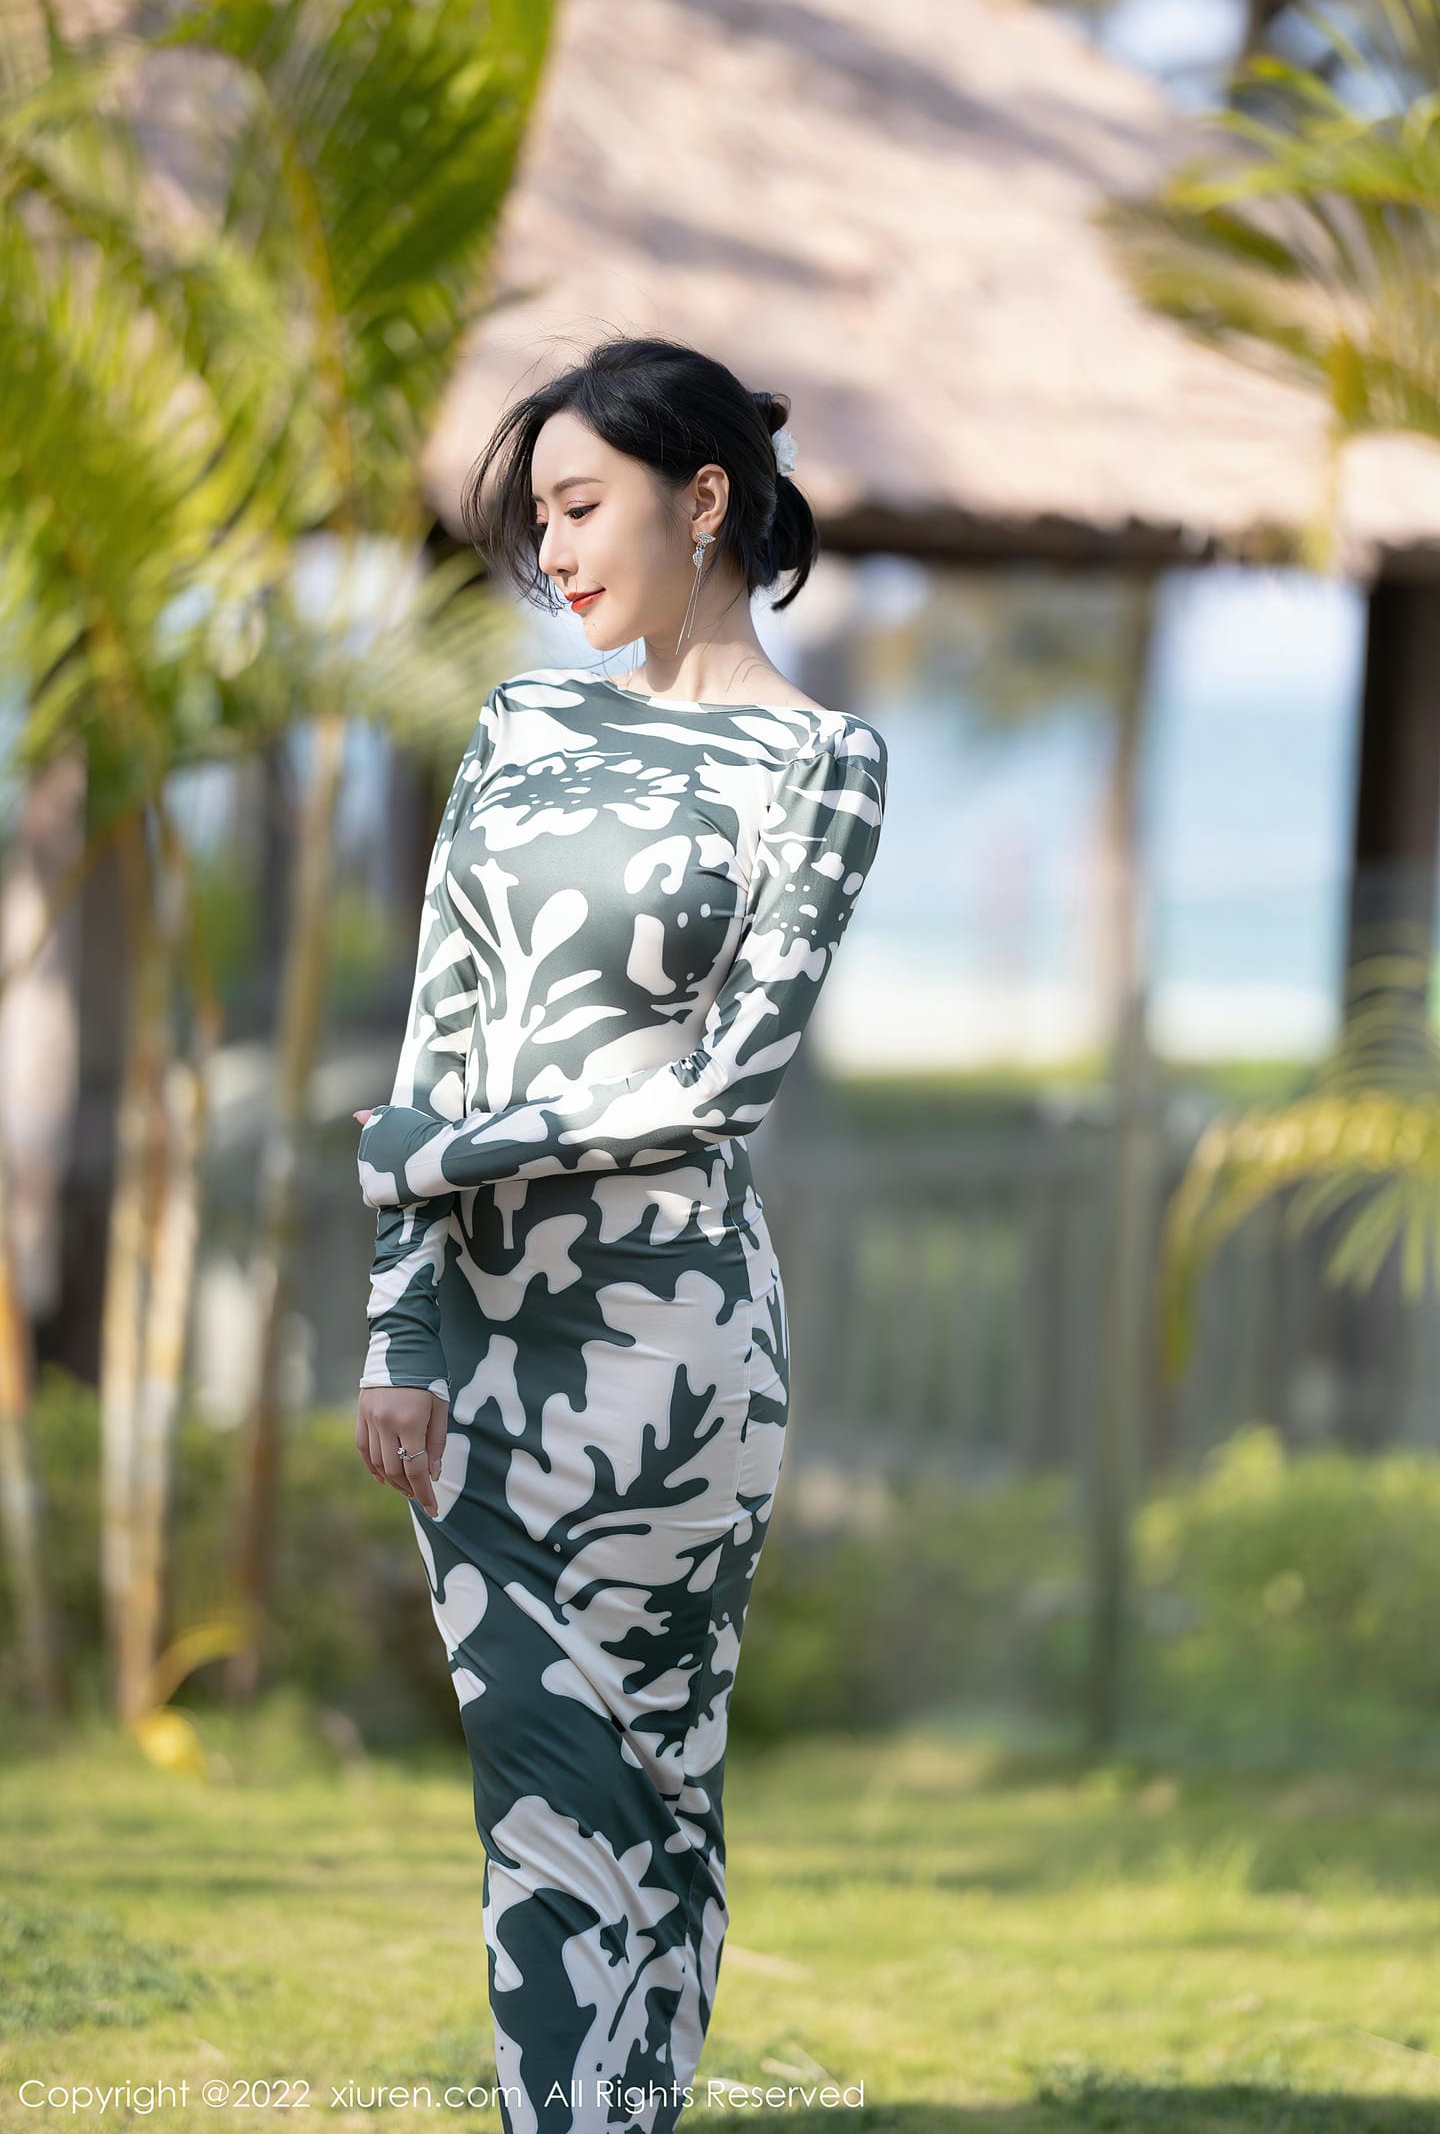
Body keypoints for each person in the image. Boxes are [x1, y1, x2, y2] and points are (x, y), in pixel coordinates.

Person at [353, 335, 887, 2134]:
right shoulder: (523, 726)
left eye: (580, 507)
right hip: (479, 1348)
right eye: (540, 519)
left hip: (671, 1356)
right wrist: (400, 1326)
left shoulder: (820, 762)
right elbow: (439, 1025)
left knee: (653, 1798)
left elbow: (725, 1087)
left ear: (703, 499)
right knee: (536, 1800)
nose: (553, 552)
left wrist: (442, 1154)